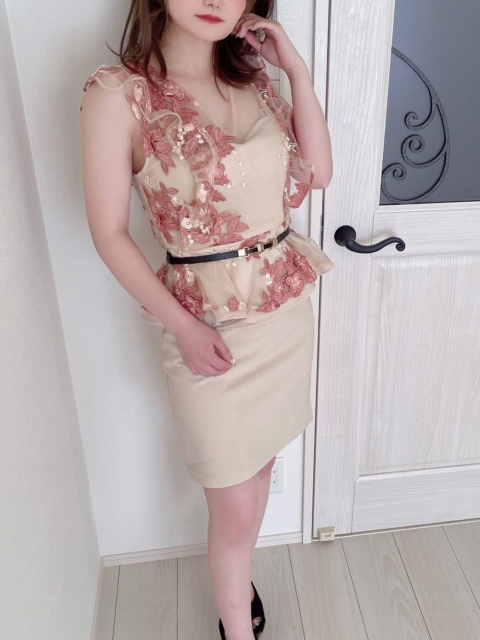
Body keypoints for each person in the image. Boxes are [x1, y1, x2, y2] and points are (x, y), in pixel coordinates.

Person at [80, 0, 334, 638]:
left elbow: (319, 173)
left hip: (282, 312)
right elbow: (109, 233)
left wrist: (296, 71)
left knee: (261, 470)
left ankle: (237, 578)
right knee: (234, 500)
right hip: (206, 325)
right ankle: (236, 627)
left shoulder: (254, 78)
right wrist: (183, 328)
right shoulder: (119, 95)